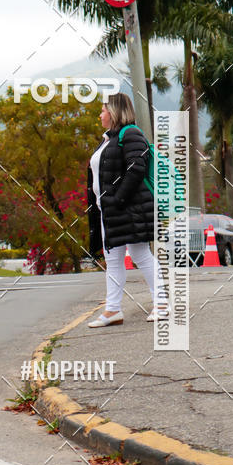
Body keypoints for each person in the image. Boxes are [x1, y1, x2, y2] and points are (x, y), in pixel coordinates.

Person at [86, 93, 168, 328]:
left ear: (113, 112)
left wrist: (119, 199)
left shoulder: (130, 134)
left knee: (141, 255)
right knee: (113, 260)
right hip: (109, 211)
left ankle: (162, 304)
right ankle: (112, 310)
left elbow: (136, 168)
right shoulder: (107, 139)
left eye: (102, 110)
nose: (100, 115)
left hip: (128, 208)